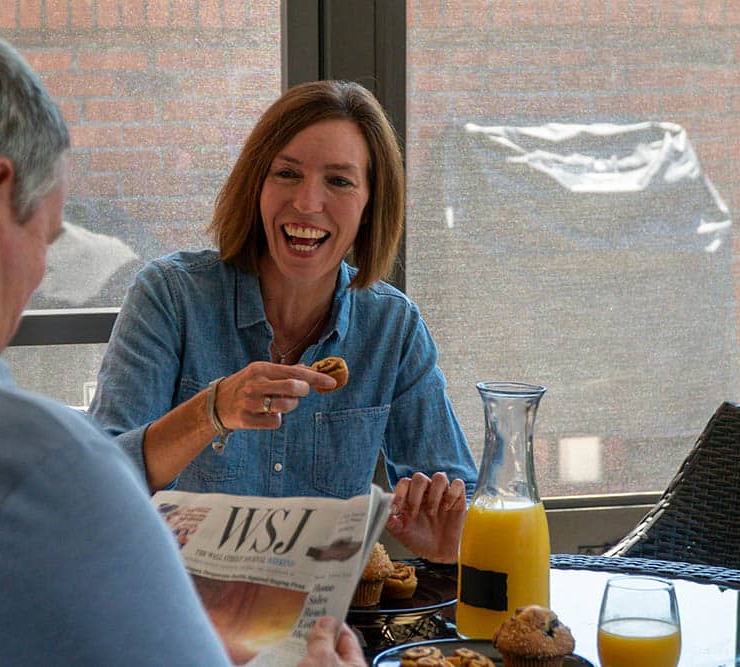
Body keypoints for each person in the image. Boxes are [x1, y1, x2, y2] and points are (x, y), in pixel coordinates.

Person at [0, 22, 363, 666]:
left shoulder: (391, 322)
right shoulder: (41, 473)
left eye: (340, 182)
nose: (36, 277)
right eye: (48, 238)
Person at [89, 80, 478, 563]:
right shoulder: (170, 296)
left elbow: (465, 504)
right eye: (287, 173)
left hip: (329, 625)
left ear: (369, 205)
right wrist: (212, 410)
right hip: (185, 618)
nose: (307, 203)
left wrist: (446, 543)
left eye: (339, 181)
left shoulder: (391, 326)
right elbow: (98, 482)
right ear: (257, 186)